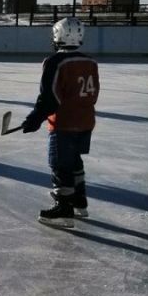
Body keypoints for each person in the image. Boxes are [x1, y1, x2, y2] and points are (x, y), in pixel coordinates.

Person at [21, 16, 99, 228]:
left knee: (59, 164)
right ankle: (79, 201)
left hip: (64, 123)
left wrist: (34, 119)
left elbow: (49, 98)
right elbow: (93, 94)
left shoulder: (55, 61)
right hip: (86, 121)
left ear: (57, 36)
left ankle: (64, 209)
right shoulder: (90, 61)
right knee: (74, 161)